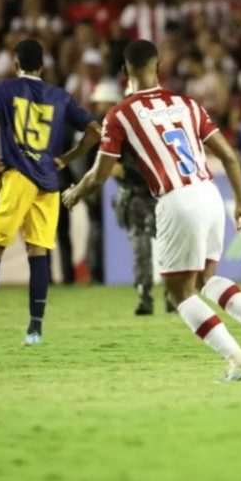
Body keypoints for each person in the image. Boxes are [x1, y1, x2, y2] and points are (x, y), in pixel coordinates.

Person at [62, 39, 241, 381]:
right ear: (159, 67)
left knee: (179, 292)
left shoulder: (120, 114)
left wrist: (76, 192)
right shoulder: (187, 104)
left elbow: (99, 174)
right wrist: (240, 200)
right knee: (207, 278)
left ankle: (239, 362)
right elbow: (228, 156)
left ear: (124, 72)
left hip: (176, 200)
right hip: (209, 192)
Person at [0, 39, 101, 346]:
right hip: (48, 182)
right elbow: (96, 129)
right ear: (42, 66)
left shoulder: (2, 89)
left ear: (16, 65)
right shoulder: (60, 96)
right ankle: (35, 330)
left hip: (16, 177)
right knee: (39, 252)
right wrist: (67, 159)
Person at [91, 81, 171, 314]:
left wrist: (120, 169)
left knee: (157, 245)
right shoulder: (133, 126)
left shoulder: (127, 125)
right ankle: (150, 296)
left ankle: (165, 295)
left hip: (154, 192)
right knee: (144, 246)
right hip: (142, 193)